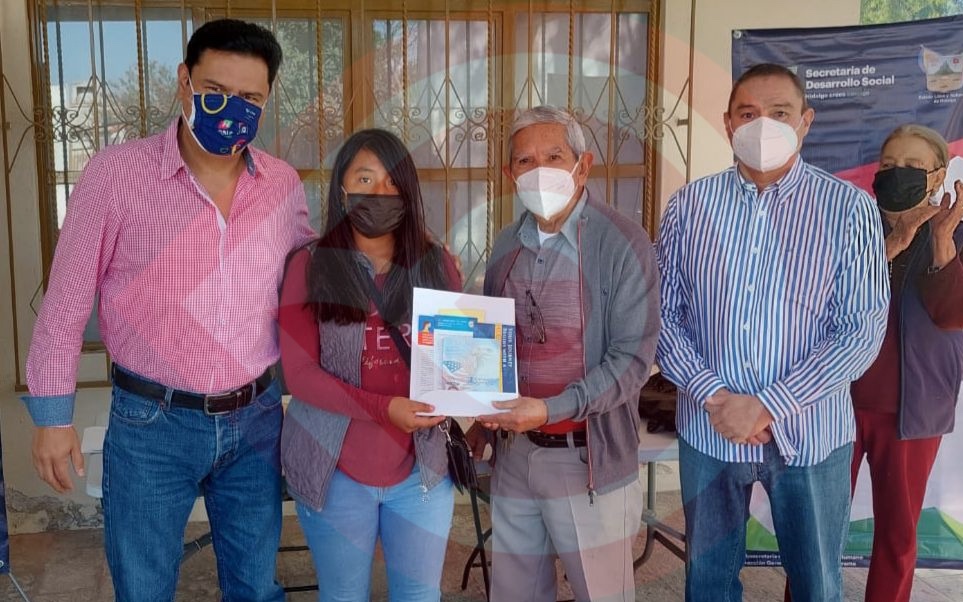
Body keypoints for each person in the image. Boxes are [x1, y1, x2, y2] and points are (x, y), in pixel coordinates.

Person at [22, 19, 312, 601]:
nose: (232, 109)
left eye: (250, 98)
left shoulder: (281, 184)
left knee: (255, 588)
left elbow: (309, 279)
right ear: (184, 81)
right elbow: (67, 299)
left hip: (256, 419)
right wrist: (53, 417)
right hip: (152, 424)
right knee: (144, 589)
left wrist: (403, 263)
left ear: (266, 99)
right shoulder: (115, 175)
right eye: (215, 91)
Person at [656, 63, 889, 602]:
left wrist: (767, 405)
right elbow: (664, 317)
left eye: (780, 113)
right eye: (748, 114)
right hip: (709, 431)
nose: (763, 125)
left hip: (811, 434)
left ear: (805, 121)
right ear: (728, 124)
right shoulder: (690, 207)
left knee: (817, 585)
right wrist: (716, 397)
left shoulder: (848, 208)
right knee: (708, 584)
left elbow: (861, 330)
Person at [466, 105, 660, 601]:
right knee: (515, 593)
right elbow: (494, 345)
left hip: (586, 456)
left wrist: (550, 409)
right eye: (525, 161)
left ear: (583, 165)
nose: (539, 171)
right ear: (510, 175)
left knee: (601, 592)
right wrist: (481, 416)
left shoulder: (622, 244)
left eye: (554, 156)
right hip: (516, 456)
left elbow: (632, 361)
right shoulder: (505, 247)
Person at [278, 128, 461, 602]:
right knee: (342, 595)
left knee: (419, 596)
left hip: (420, 472)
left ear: (408, 190)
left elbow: (458, 363)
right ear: (341, 188)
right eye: (364, 178)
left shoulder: (438, 265)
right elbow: (301, 376)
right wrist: (385, 409)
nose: (379, 193)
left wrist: (476, 396)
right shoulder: (309, 266)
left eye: (391, 181)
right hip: (335, 471)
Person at [850, 124, 963, 602]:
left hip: (912, 412)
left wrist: (941, 241)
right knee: (816, 526)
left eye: (914, 166)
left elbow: (952, 315)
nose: (900, 173)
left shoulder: (955, 230)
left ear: (938, 175)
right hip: (836, 405)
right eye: (890, 165)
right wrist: (890, 243)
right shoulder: (852, 228)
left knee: (897, 536)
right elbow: (825, 302)